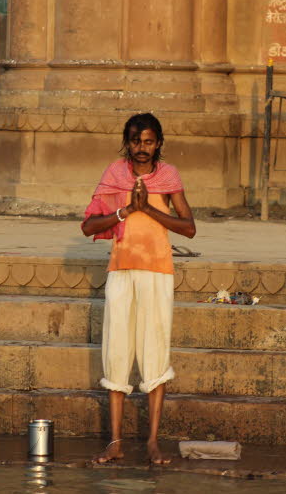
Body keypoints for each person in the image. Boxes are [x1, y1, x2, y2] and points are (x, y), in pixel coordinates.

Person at [81, 112, 196, 465]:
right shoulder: (114, 174)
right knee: (117, 351)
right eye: (135, 141)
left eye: (148, 141)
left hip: (157, 272)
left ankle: (152, 443)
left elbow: (188, 228)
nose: (141, 148)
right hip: (121, 271)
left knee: (155, 351)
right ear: (127, 142)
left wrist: (148, 209)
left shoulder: (169, 175)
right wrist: (126, 210)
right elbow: (88, 226)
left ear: (158, 142)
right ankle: (115, 442)